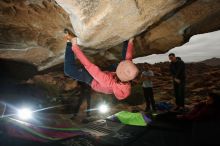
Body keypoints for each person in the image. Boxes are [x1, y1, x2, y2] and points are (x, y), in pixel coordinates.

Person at [64, 29, 139, 100]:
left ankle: (69, 43)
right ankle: (126, 40)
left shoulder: (106, 81)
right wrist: (130, 42)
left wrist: (74, 46)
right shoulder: (126, 76)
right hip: (112, 73)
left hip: (95, 81)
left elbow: (88, 65)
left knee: (69, 71)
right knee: (125, 62)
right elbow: (128, 59)